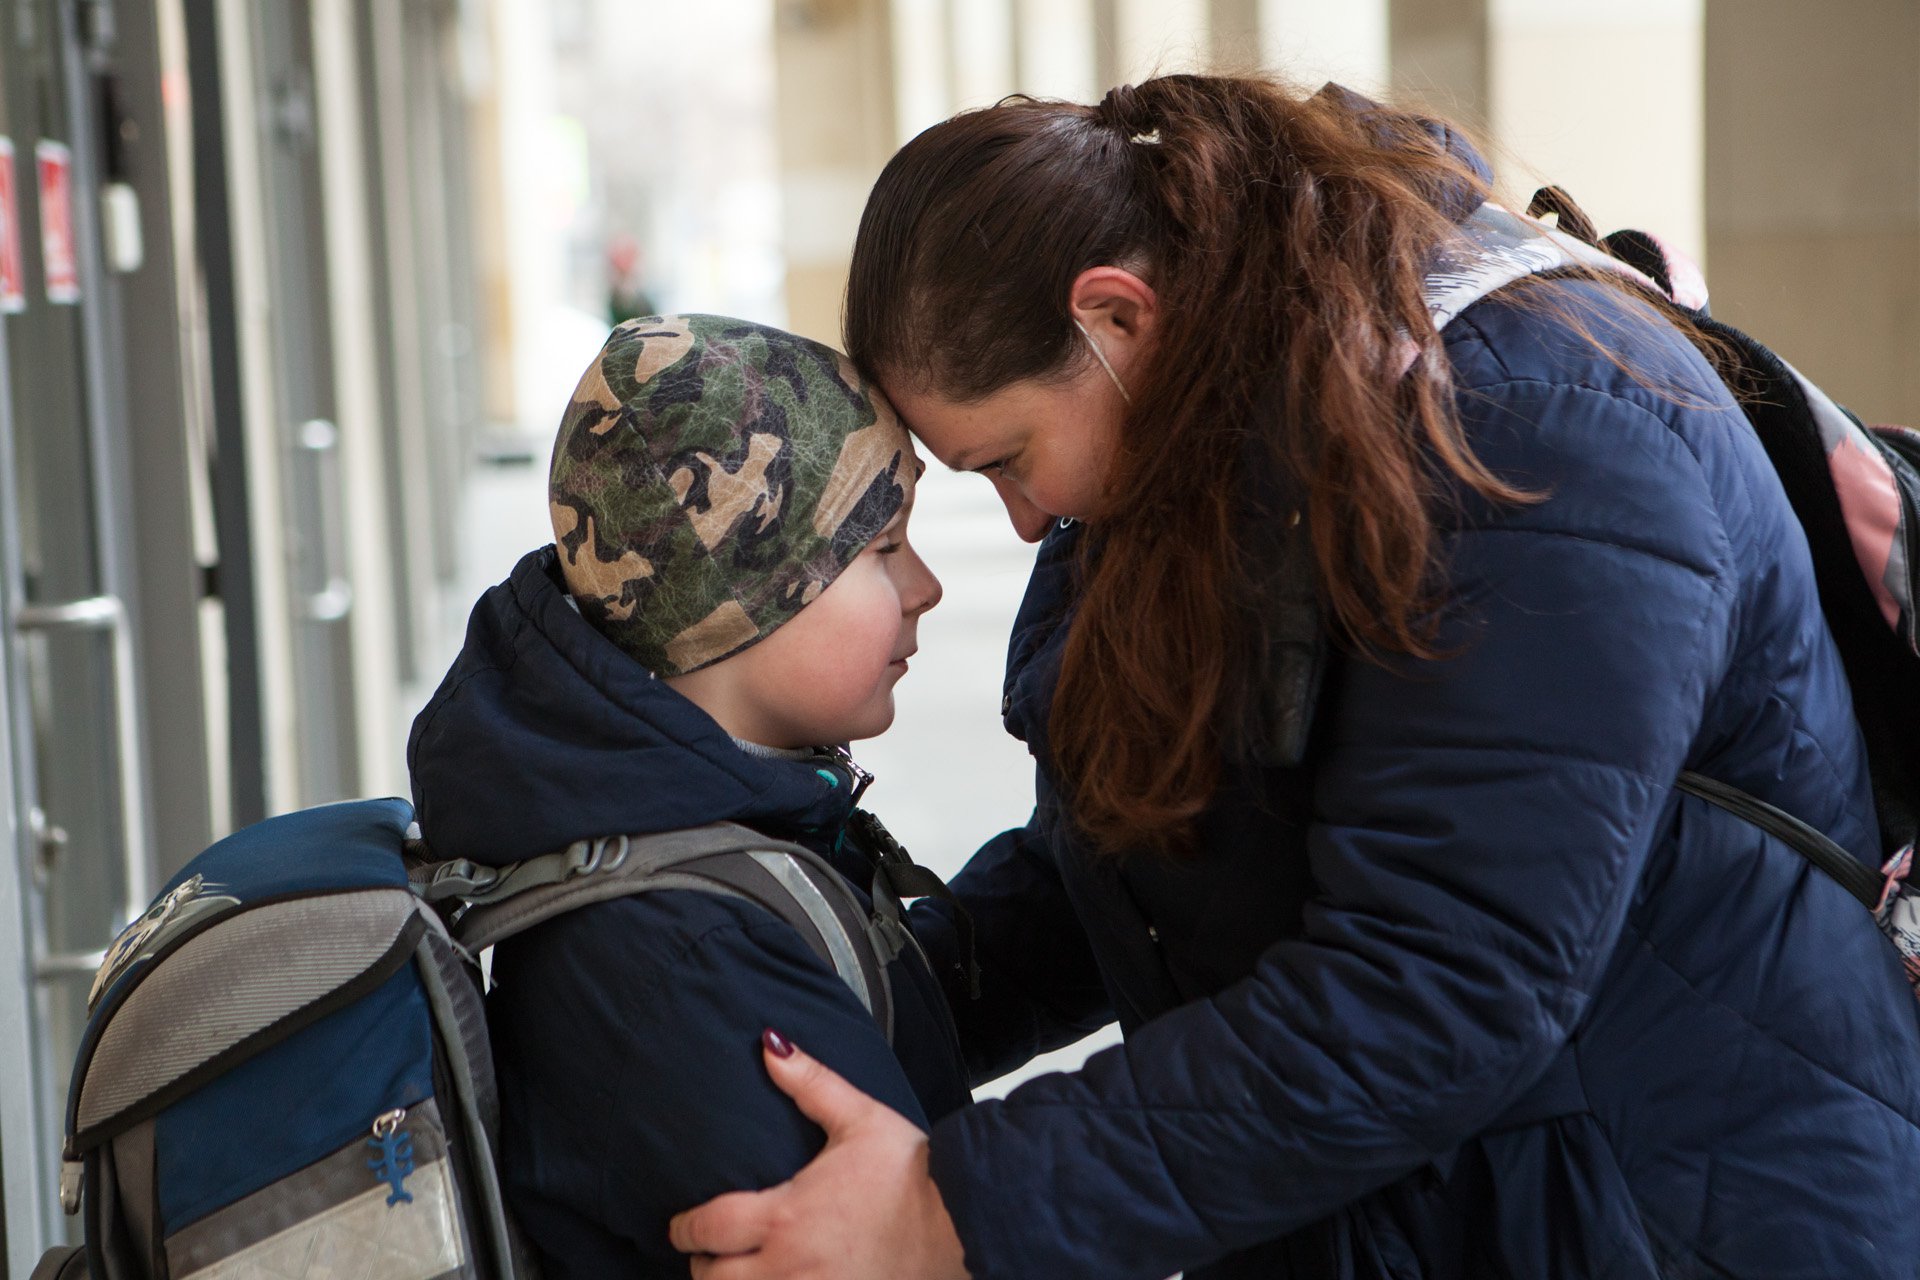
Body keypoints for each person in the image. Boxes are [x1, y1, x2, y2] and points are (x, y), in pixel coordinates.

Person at [667, 76, 1920, 1279]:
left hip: (1677, 1210)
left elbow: (1440, 980)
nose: (1020, 519)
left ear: (1114, 315)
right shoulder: (1219, 420)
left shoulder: (1541, 434)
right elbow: (1151, 851)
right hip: (1465, 1203)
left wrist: (957, 1210)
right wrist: (871, 998)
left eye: (1004, 459)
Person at [406, 314, 969, 1275]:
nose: (927, 587)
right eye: (882, 549)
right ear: (745, 605)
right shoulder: (692, 959)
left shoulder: (693, 840)